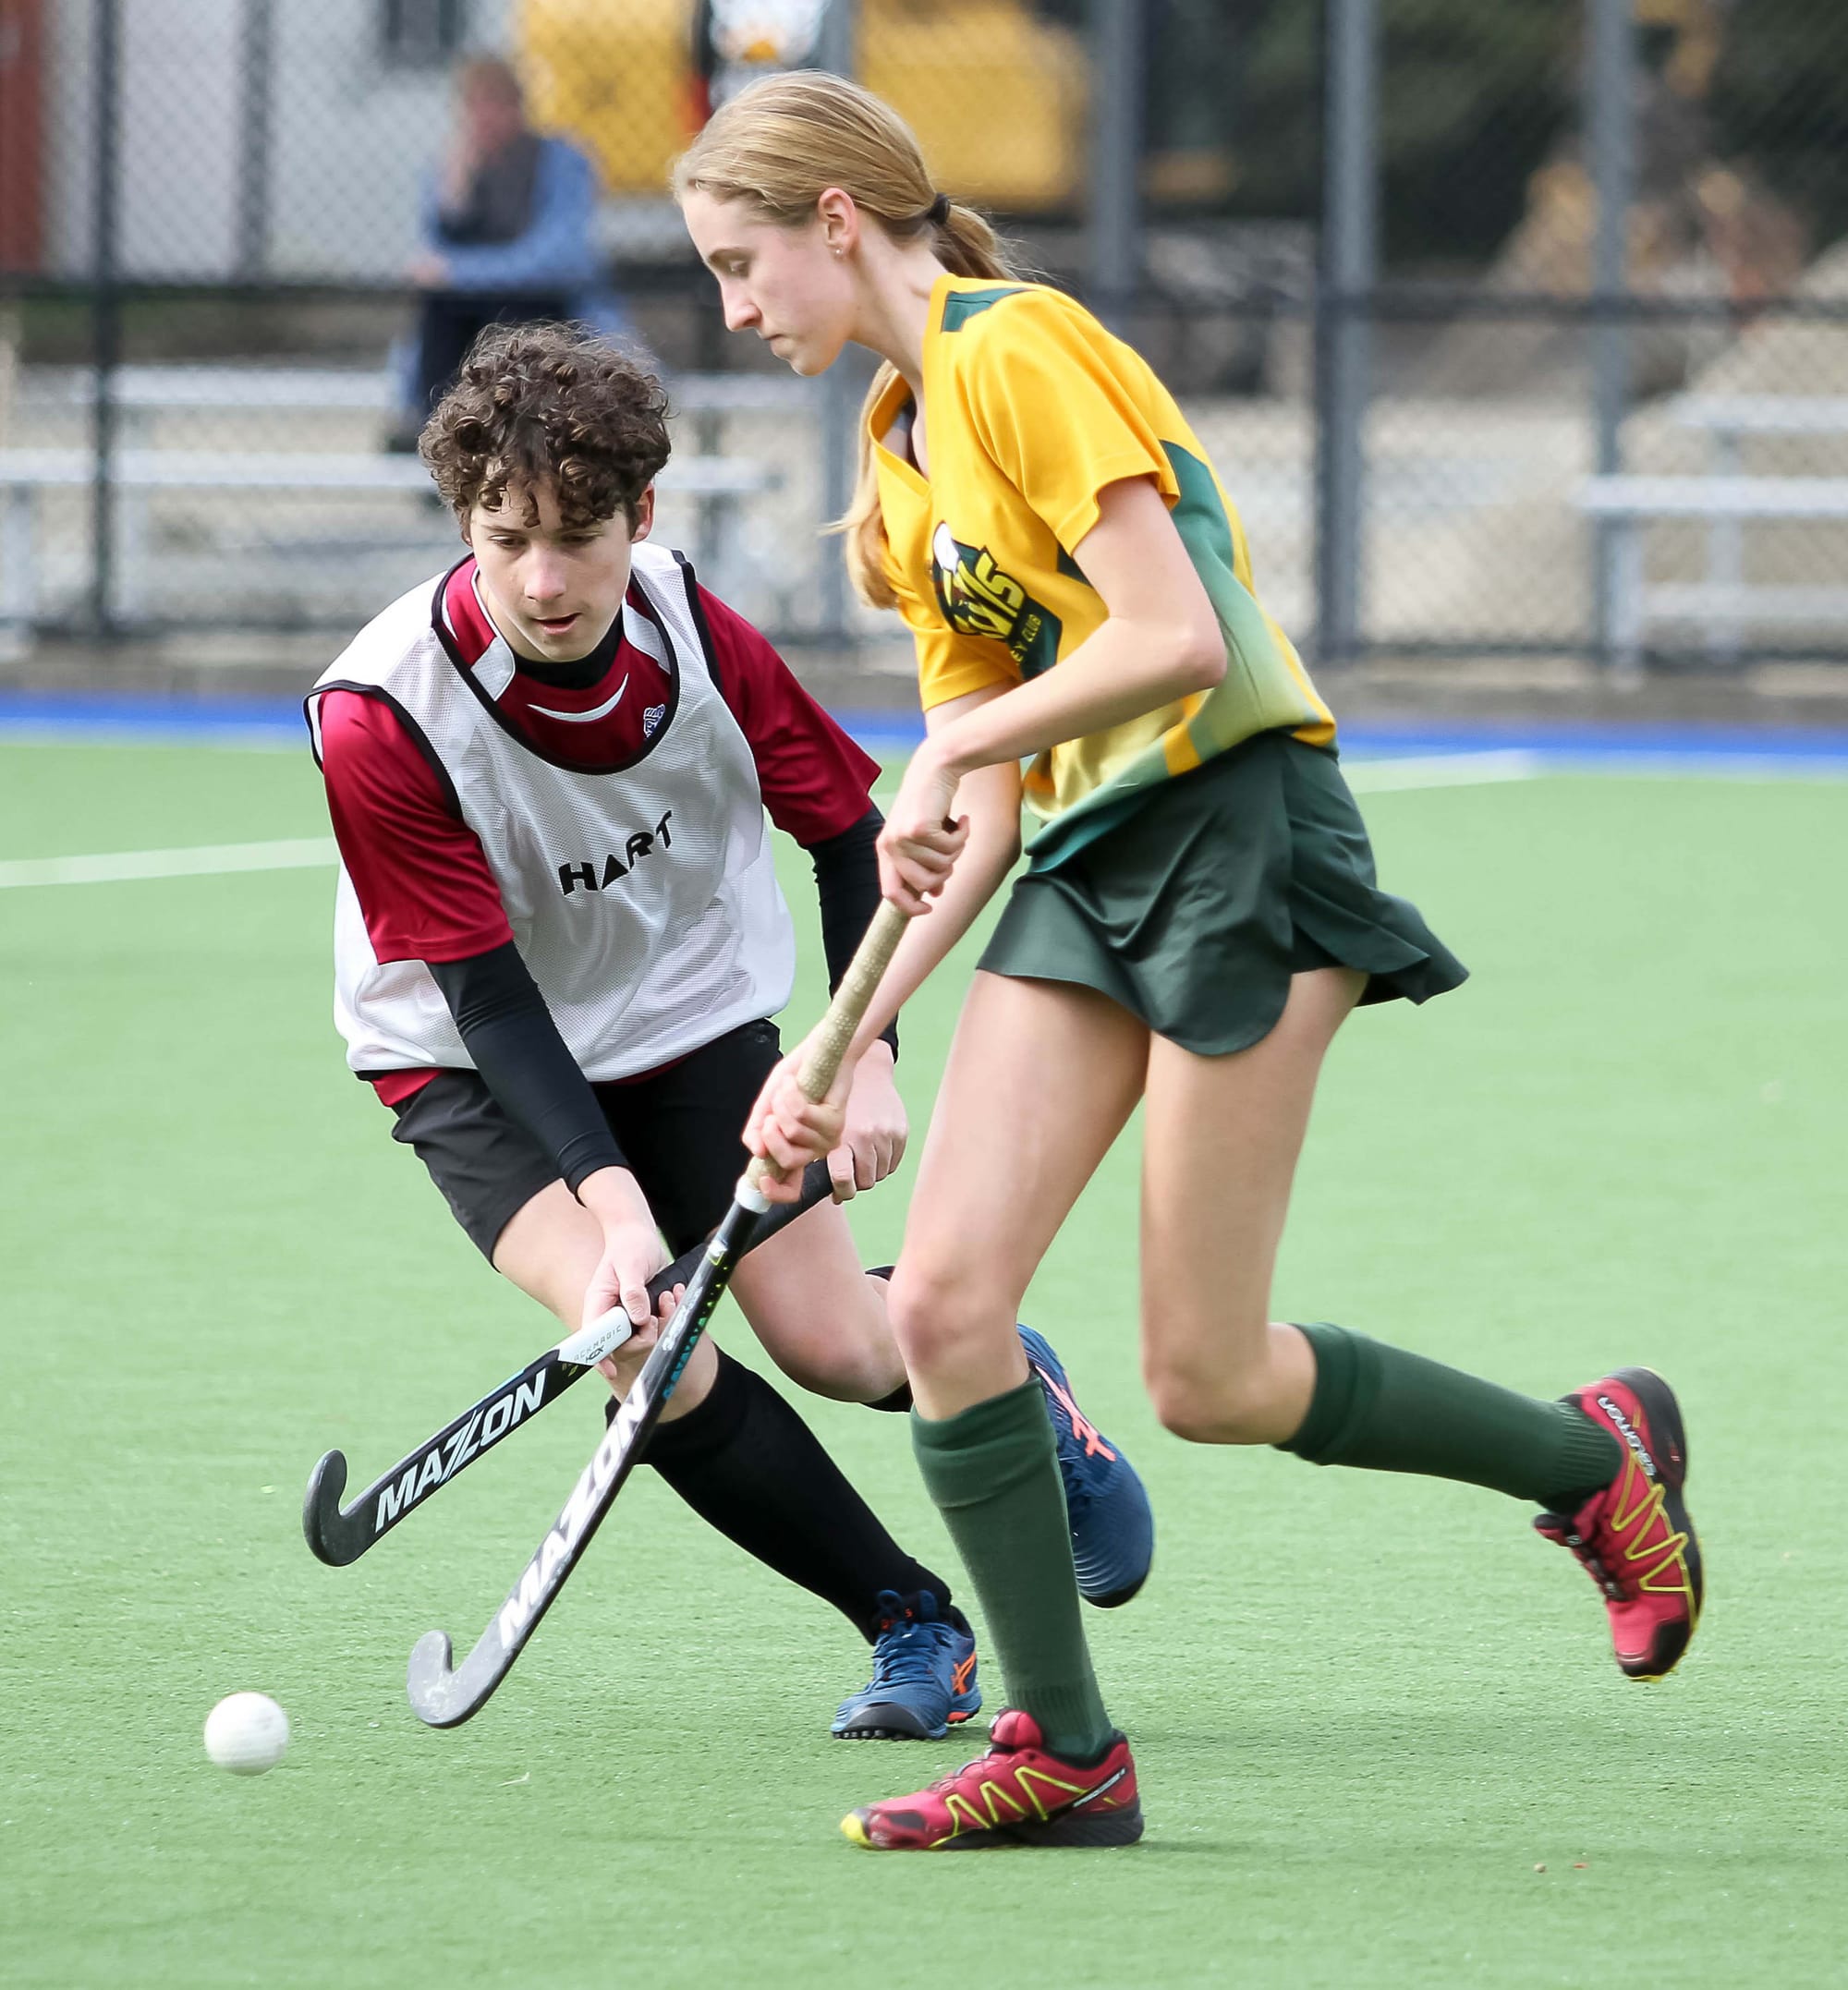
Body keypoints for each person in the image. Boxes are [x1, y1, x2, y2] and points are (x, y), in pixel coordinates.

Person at [675, 72, 1706, 1850]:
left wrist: (948, 751)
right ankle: (1064, 1748)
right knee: (943, 1306)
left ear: (835, 220)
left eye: (737, 261)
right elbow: (986, 802)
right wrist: (841, 1044)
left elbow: (1171, 635)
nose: (732, 306)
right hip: (1087, 860)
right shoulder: (898, 460)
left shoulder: (1017, 348)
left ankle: (1590, 1456)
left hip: (1240, 828)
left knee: (1206, 1375)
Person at [308, 320, 1154, 1743]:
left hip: (687, 1011)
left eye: (578, 537)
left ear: (642, 515)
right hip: (467, 1058)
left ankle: (1019, 1382)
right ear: (463, 522)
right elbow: (488, 997)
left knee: (838, 1345)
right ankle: (912, 1622)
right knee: (645, 1348)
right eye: (507, 538)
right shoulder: (381, 716)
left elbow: (850, 837)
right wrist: (612, 1206)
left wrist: (865, 1048)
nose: (543, 578)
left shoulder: (693, 633)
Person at [389, 55, 614, 448]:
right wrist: (454, 197)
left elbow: (557, 261)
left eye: (495, 104)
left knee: (502, 313)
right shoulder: (454, 167)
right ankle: (437, 433)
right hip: (471, 313)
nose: (484, 118)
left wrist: (462, 272)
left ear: (519, 107)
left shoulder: (561, 162)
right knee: (439, 312)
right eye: (474, 106)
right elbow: (434, 258)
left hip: (543, 306)